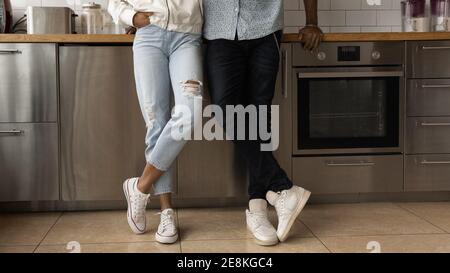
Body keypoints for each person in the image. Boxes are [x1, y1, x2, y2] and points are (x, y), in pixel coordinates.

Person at [203, 0, 323, 246]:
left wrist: (311, 22)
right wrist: (150, 19)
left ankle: (258, 208)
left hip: (265, 29)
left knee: (259, 117)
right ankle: (282, 188)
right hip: (219, 30)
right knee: (224, 109)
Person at [108, 0, 204, 244]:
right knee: (156, 123)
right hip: (149, 35)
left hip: (187, 36)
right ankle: (166, 212)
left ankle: (139, 187)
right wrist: (131, 17)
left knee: (190, 112)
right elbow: (114, 2)